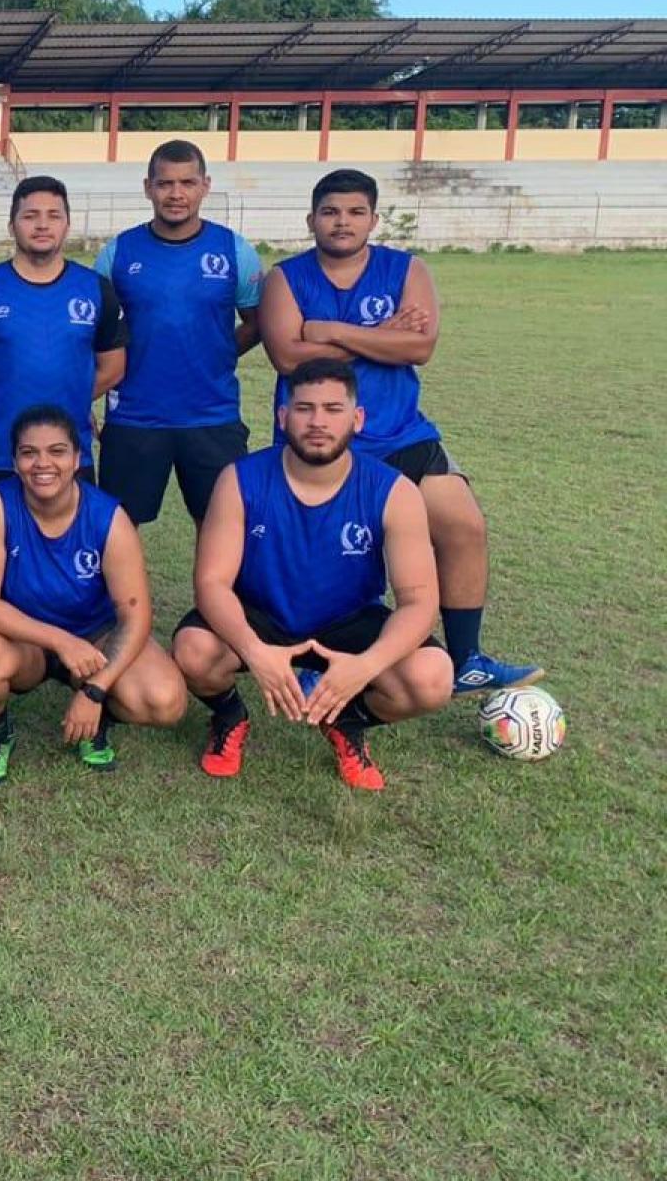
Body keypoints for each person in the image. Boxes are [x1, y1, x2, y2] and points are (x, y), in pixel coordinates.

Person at [258, 168, 542, 694]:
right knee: (317, 554)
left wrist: (331, 331)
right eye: (330, 212)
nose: (342, 222)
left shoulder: (406, 270)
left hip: (403, 434)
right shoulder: (285, 278)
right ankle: (306, 654)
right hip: (319, 441)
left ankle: (467, 658)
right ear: (311, 219)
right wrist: (379, 335)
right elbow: (286, 354)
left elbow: (420, 348)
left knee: (464, 526)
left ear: (373, 218)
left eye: (355, 212)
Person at [171, 360, 454, 791]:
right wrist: (253, 650)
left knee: (432, 678)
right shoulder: (240, 479)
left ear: (357, 419)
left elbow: (419, 601)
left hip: (349, 621)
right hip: (264, 615)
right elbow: (211, 583)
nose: (318, 421)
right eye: (304, 408)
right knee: (193, 650)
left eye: (333, 409)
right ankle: (229, 715)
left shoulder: (394, 491)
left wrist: (366, 666)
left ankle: (347, 720)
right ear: (283, 418)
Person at [0, 406, 187, 780]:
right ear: (15, 461)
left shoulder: (109, 517)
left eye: (57, 451)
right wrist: (61, 641)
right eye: (29, 453)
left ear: (77, 458)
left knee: (164, 700)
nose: (42, 463)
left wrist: (95, 690)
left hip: (95, 638)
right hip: (23, 639)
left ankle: (96, 721)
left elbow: (136, 616)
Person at [0, 174, 126, 560]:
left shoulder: (95, 290)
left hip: (67, 452)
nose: (42, 224)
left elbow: (113, 366)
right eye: (30, 216)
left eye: (53, 215)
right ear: (12, 225)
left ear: (67, 225)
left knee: (69, 558)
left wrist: (70, 397)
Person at [94, 140, 264, 526]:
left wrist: (217, 354)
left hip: (212, 415)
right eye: (165, 183)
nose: (176, 194)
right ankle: (127, 591)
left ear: (205, 185)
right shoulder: (117, 253)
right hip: (134, 417)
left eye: (187, 183)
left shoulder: (234, 250)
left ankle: (213, 590)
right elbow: (95, 336)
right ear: (147, 187)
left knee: (221, 524)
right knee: (119, 524)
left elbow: (257, 322)